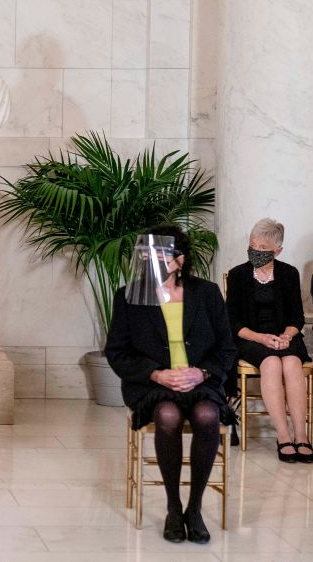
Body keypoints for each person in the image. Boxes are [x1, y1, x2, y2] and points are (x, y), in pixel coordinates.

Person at [106, 225, 235, 544]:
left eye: (160, 254)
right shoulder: (129, 297)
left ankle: (195, 509)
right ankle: (174, 508)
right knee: (167, 416)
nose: (151, 260)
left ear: (180, 260)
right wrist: (156, 374)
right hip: (154, 384)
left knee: (207, 416)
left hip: (199, 381)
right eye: (147, 254)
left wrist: (202, 373)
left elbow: (227, 348)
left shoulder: (206, 293)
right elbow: (117, 352)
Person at [225, 218, 311, 463]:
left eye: (263, 248)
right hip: (251, 337)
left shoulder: (289, 273)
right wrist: (260, 338)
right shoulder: (238, 275)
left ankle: (302, 437)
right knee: (272, 363)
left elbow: (297, 317)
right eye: (253, 245)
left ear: (277, 251)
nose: (256, 251)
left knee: (292, 364)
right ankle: (283, 436)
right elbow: (232, 321)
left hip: (284, 336)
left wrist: (287, 336)